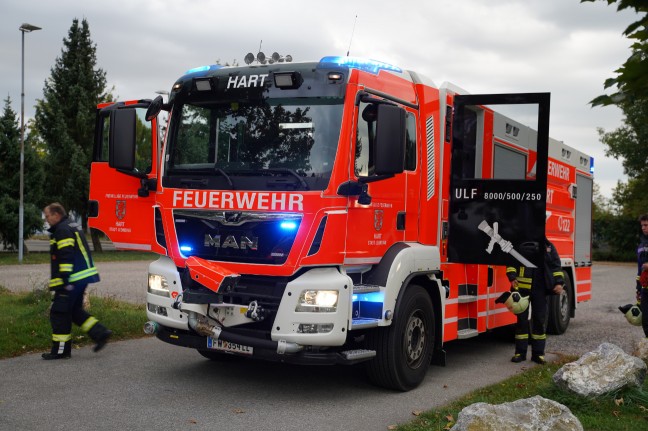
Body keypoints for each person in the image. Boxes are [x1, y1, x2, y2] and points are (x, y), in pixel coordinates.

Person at [42, 203, 112, 360]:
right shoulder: (69, 226)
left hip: (72, 279)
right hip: (80, 278)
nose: (46, 220)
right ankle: (100, 333)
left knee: (59, 312)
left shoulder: (62, 229)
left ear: (56, 215)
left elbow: (65, 255)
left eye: (47, 216)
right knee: (74, 311)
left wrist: (65, 280)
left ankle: (61, 350)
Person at [506, 237, 564, 365]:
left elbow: (556, 266)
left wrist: (559, 282)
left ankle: (538, 355)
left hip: (540, 290)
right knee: (521, 322)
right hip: (522, 289)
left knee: (539, 320)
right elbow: (511, 260)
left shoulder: (548, 246)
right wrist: (512, 277)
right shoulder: (520, 243)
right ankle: (520, 353)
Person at [634, 213, 648, 337]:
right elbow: (639, 270)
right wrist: (638, 289)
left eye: (646, 225)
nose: (643, 228)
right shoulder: (641, 245)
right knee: (646, 321)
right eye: (642, 225)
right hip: (645, 290)